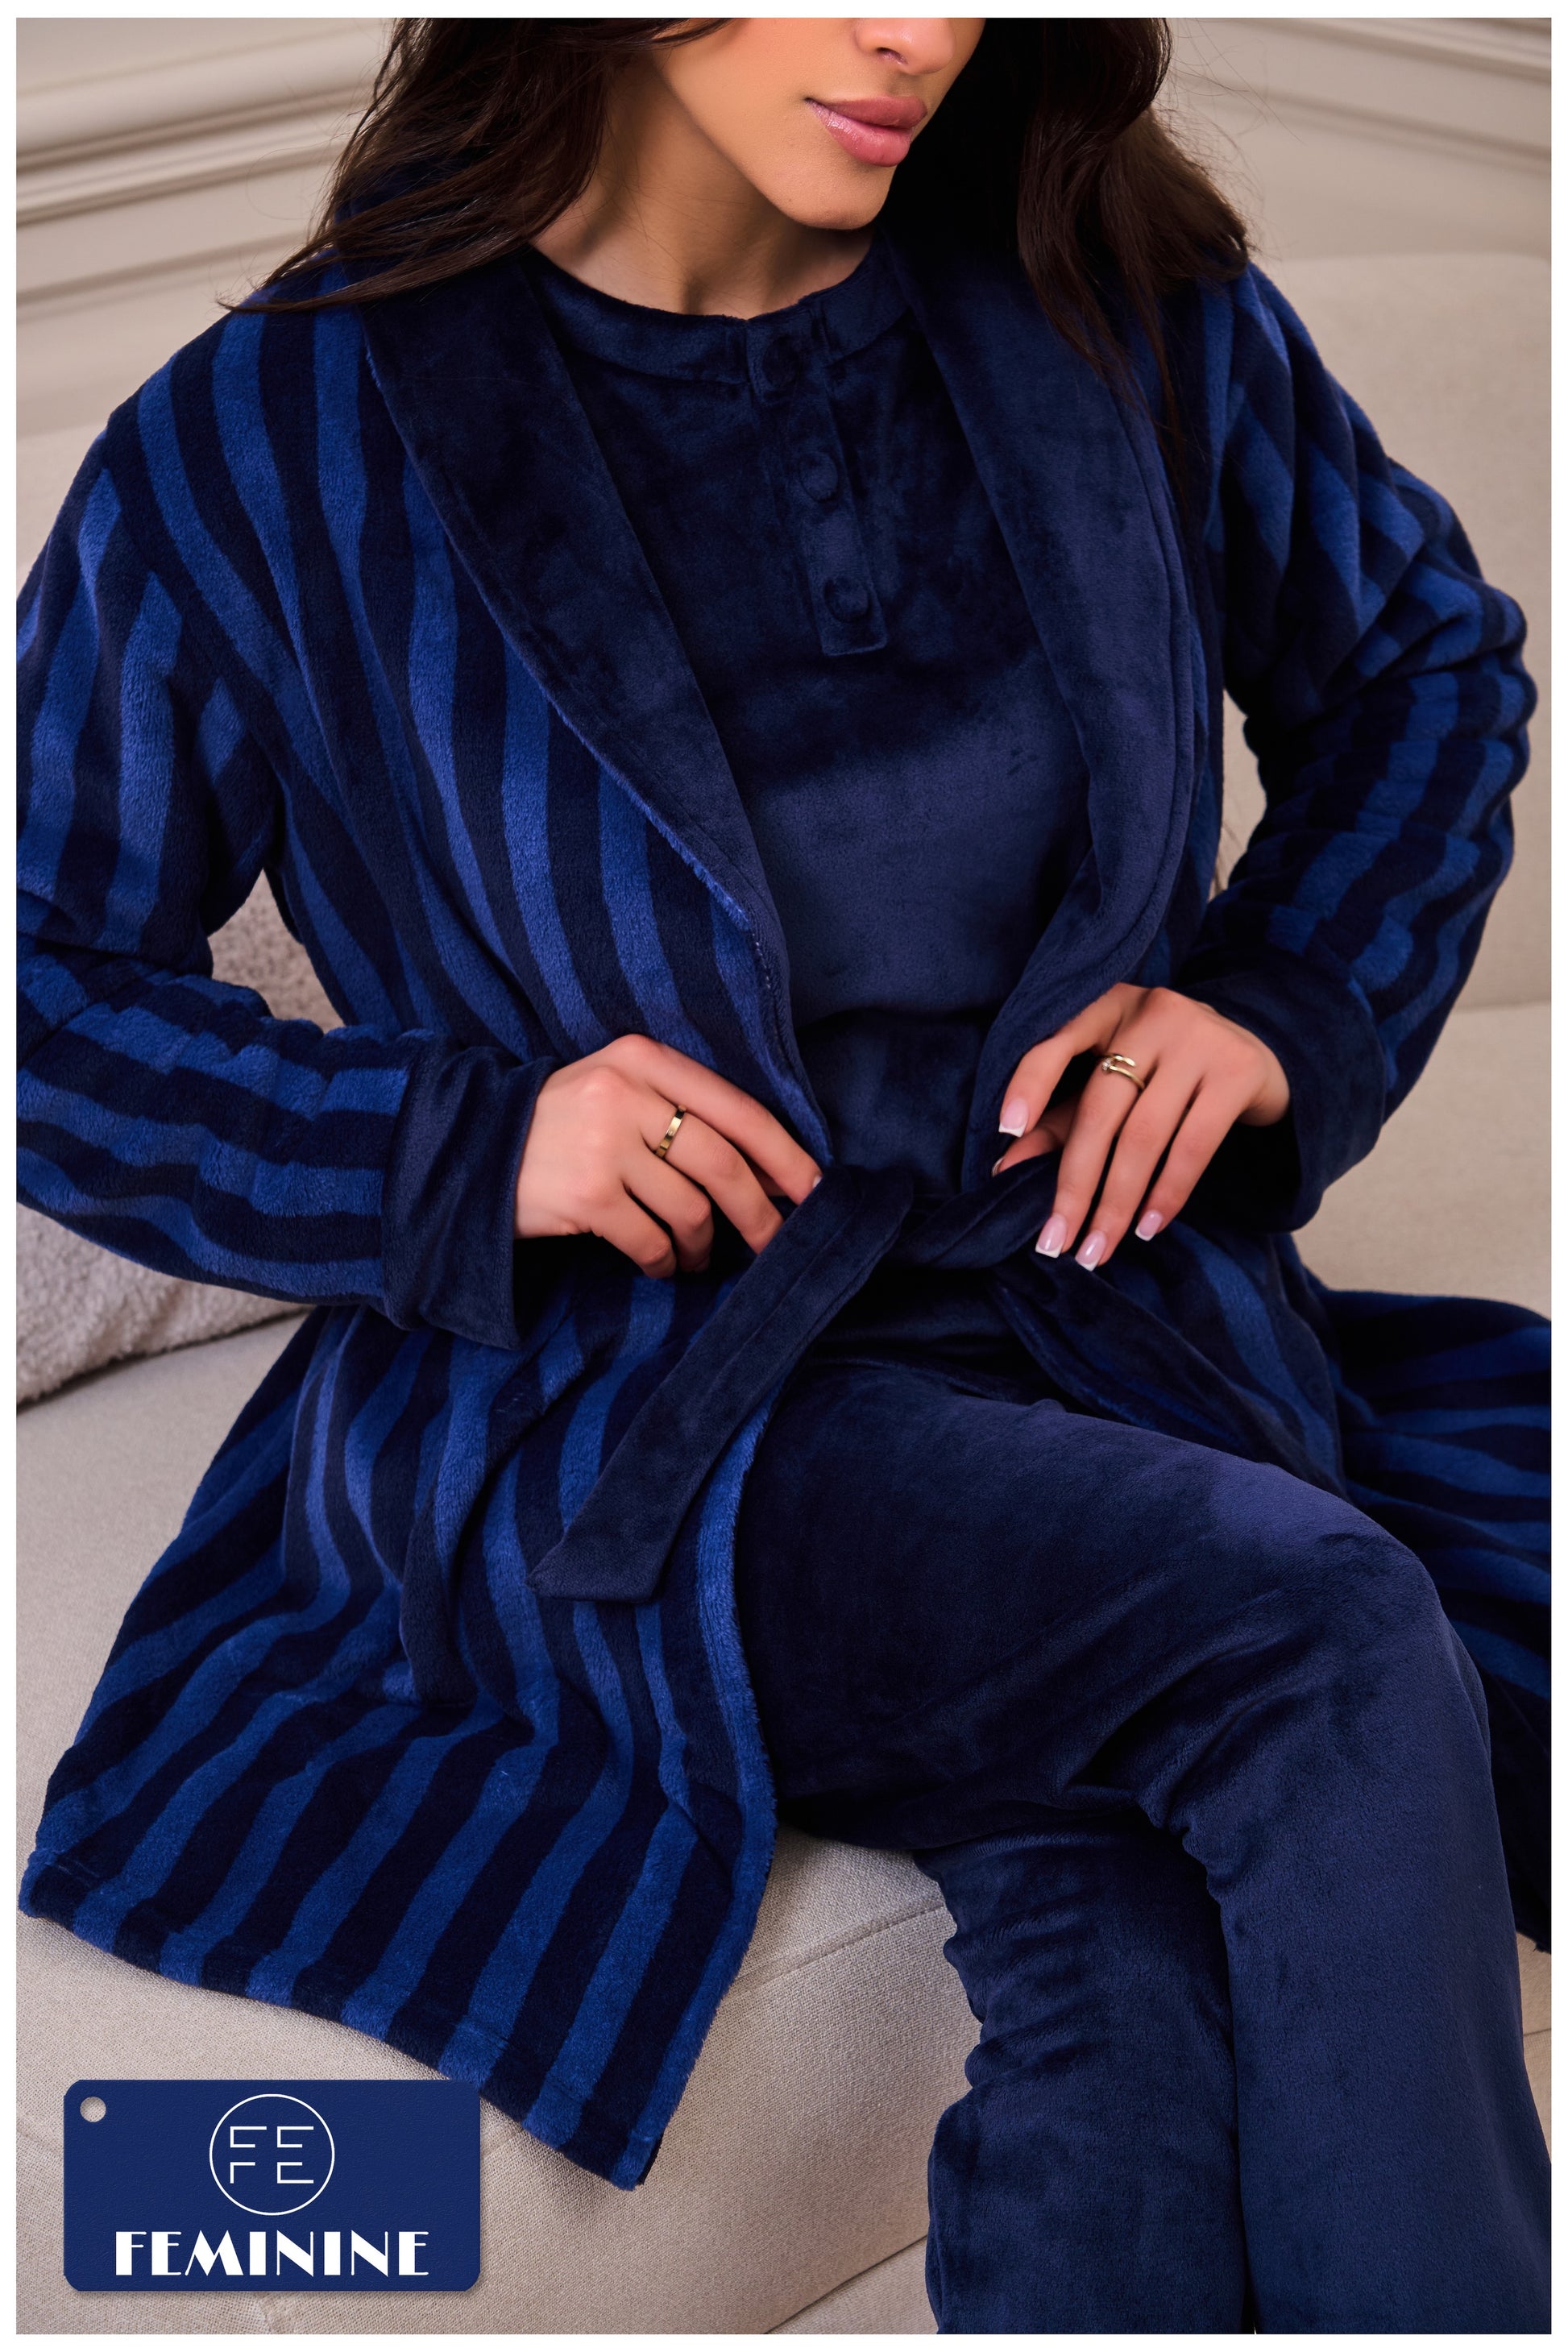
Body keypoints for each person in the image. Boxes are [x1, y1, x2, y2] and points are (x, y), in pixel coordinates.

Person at [17, 16, 1549, 2330]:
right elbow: (38, 994)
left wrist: (1281, 1001)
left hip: (1107, 1318)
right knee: (1319, 1633)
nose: (914, 29)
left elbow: (1422, 667)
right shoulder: (270, 442)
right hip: (649, 1418)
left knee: (1132, 1972)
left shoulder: (1108, 294)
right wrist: (461, 1140)